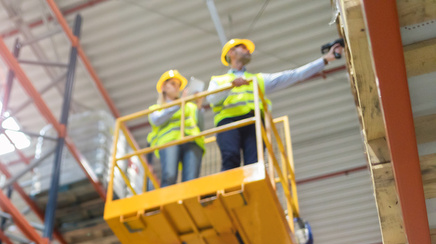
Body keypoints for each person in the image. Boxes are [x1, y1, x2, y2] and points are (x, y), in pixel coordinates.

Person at [207, 38, 344, 171]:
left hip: (253, 123)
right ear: (231, 52)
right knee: (231, 157)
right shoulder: (218, 81)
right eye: (243, 47)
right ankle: (229, 190)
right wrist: (231, 85)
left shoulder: (258, 79)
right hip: (228, 123)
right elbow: (212, 99)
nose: (248, 50)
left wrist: (325, 59)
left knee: (254, 164)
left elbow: (295, 75)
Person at [147, 69, 206, 187]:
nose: (177, 88)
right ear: (163, 87)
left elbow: (200, 126)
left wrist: (199, 105)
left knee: (191, 180)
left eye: (178, 85)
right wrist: (179, 104)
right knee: (169, 177)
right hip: (169, 143)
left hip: (192, 141)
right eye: (173, 84)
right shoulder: (156, 108)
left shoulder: (189, 105)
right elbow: (157, 120)